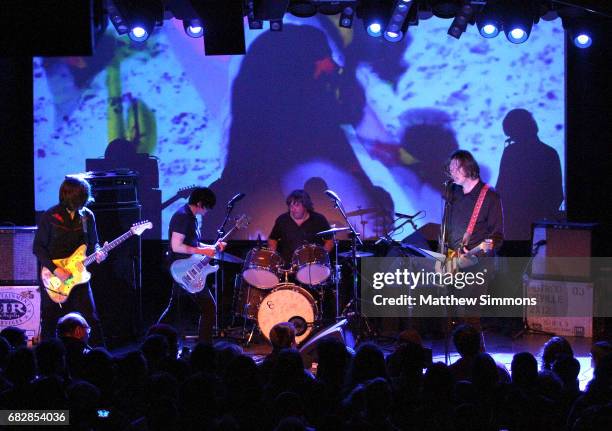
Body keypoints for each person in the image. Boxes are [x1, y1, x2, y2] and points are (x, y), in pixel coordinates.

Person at [33, 176, 107, 346]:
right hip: (54, 277)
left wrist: (98, 252)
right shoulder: (50, 216)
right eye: (80, 198)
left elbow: (94, 242)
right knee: (50, 319)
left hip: (79, 276)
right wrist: (55, 270)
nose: (83, 202)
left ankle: (100, 357)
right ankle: (48, 360)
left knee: (91, 318)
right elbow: (38, 248)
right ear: (69, 196)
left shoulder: (87, 216)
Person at [441, 150, 504, 329]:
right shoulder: (454, 195)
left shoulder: (489, 196)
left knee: (471, 317)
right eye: (450, 167)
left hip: (478, 264)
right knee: (452, 315)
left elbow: (497, 237)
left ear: (468, 168)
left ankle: (476, 354)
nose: (451, 172)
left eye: (455, 167)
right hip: (453, 259)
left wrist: (476, 254)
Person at [157, 187, 225, 343]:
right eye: (207, 207)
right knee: (208, 308)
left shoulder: (190, 217)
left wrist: (209, 248)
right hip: (183, 269)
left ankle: (153, 339)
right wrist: (202, 250)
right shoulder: (183, 217)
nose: (207, 211)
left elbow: (191, 243)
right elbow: (176, 246)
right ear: (200, 203)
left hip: (185, 268)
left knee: (173, 308)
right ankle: (204, 347)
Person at [268, 189, 334, 268]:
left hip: (312, 267)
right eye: (291, 206)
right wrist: (273, 254)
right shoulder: (282, 220)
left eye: (297, 205)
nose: (293, 209)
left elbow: (329, 242)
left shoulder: (318, 219)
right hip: (288, 268)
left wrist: (320, 257)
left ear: (305, 206)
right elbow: (272, 239)